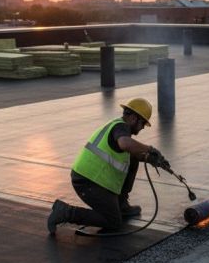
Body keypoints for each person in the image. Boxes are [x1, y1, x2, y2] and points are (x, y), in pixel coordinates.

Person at [47, 98, 170, 235]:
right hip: (87, 182)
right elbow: (125, 144)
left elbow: (129, 150)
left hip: (94, 180)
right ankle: (66, 212)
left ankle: (121, 204)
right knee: (112, 221)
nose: (142, 128)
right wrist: (150, 149)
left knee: (133, 157)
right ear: (134, 118)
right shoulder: (120, 127)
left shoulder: (118, 126)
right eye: (143, 123)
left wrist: (149, 158)